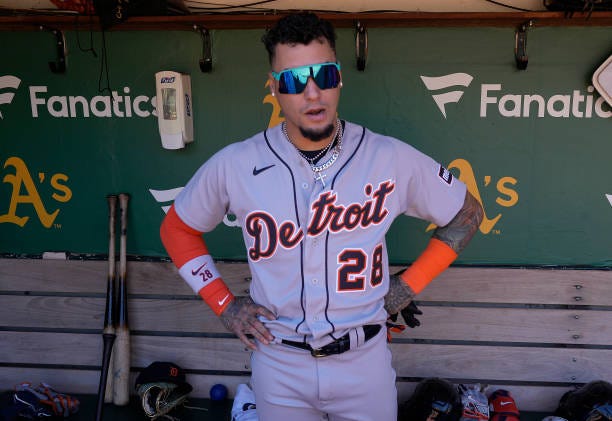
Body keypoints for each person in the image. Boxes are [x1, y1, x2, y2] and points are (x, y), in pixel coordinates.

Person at [160, 11, 484, 421]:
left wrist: (406, 287)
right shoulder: (236, 164)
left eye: (324, 75)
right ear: (275, 88)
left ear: (340, 78)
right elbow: (177, 229)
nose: (313, 93)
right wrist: (224, 303)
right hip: (279, 365)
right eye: (295, 80)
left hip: (363, 363)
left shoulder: (388, 156)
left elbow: (468, 213)